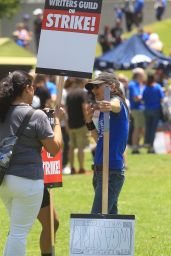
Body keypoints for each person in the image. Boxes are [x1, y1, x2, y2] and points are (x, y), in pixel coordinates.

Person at [0, 70, 63, 256]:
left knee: (16, 231)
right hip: (27, 180)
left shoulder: (3, 112)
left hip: (4, 180)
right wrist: (57, 122)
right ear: (27, 88)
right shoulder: (36, 115)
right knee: (18, 233)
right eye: (32, 87)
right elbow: (54, 148)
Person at [84, 72, 129, 214]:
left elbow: (116, 105)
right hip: (100, 170)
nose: (93, 90)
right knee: (110, 219)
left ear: (112, 87)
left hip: (111, 171)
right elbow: (101, 140)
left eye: (97, 87)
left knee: (96, 218)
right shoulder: (105, 112)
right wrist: (89, 123)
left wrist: (109, 104)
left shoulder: (116, 103)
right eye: (93, 87)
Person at [66, 78, 88, 174]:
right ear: (82, 82)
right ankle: (81, 168)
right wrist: (88, 121)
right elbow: (85, 108)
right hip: (80, 124)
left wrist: (67, 124)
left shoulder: (69, 94)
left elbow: (66, 110)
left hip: (71, 124)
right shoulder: (83, 93)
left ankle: (72, 168)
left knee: (71, 147)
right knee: (80, 147)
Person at [143, 71, 164, 153]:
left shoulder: (146, 88)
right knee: (153, 129)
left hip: (147, 110)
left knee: (148, 128)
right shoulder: (158, 87)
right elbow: (162, 98)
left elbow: (143, 98)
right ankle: (151, 147)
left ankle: (147, 144)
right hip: (156, 110)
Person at [128, 68, 146, 154]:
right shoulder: (133, 84)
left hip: (138, 109)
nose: (144, 77)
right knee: (137, 128)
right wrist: (147, 95)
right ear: (138, 75)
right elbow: (136, 98)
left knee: (139, 128)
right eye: (143, 75)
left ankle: (138, 146)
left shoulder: (136, 84)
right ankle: (135, 147)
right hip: (137, 109)